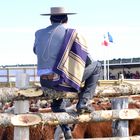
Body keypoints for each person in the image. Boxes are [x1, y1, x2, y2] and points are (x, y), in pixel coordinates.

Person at [33, 7, 102, 139]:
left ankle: (66, 129)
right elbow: (86, 58)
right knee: (97, 66)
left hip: (45, 82)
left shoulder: (38, 33)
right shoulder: (71, 33)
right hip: (60, 81)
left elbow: (36, 51)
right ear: (66, 19)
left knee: (56, 105)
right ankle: (83, 102)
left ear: (50, 19)